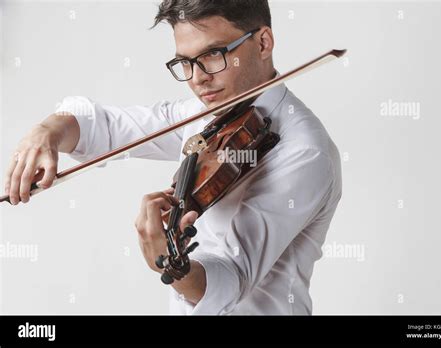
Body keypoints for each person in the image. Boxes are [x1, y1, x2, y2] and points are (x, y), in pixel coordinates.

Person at [3, 0, 342, 315]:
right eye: (185, 62)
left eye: (214, 55)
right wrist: (46, 132)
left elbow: (233, 276)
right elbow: (105, 126)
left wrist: (172, 265)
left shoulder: (304, 150)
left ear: (264, 42)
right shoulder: (207, 114)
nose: (197, 79)